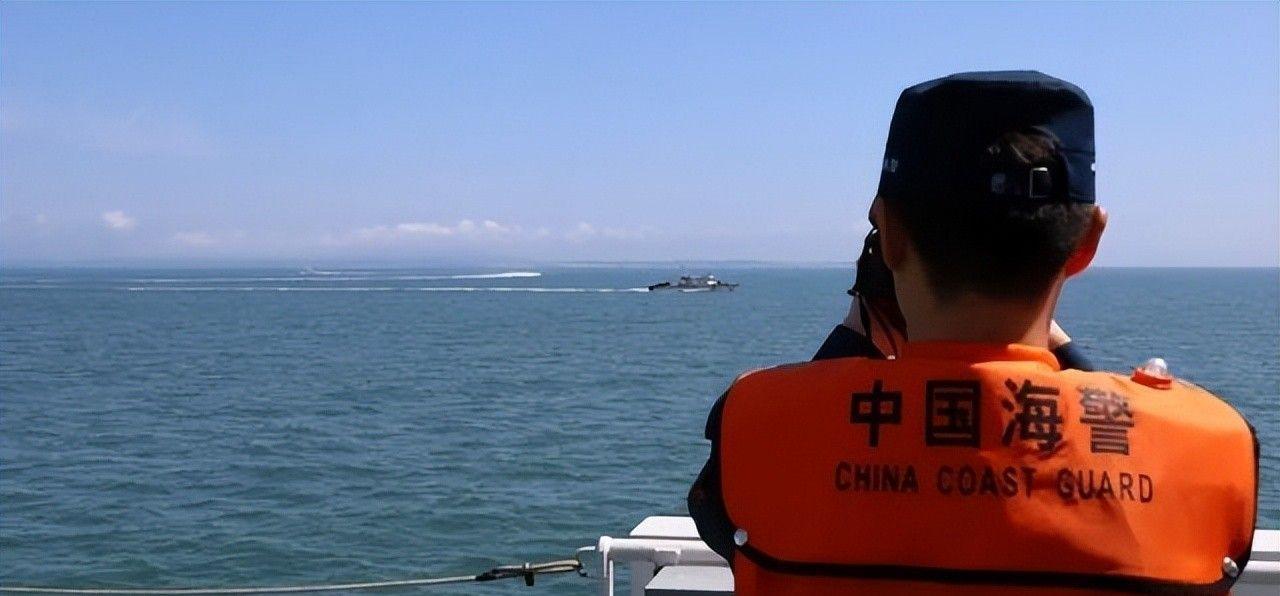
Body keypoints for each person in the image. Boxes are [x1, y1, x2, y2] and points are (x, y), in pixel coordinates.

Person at [688, 71, 1258, 595]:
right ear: (1086, 244)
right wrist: (1062, 348)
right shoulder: (1214, 448)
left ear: (889, 236)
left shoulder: (753, 425)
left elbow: (733, 508)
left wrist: (855, 334)